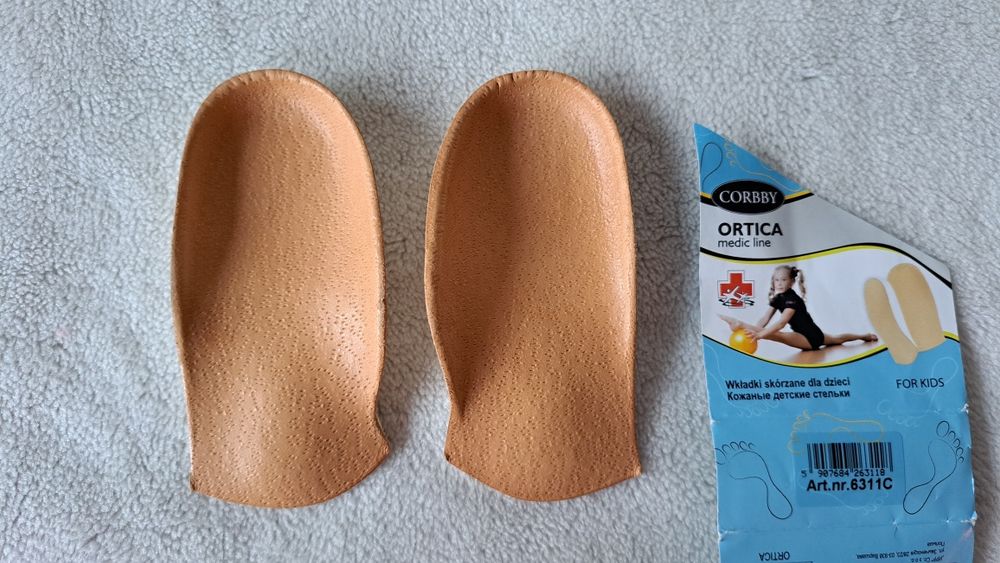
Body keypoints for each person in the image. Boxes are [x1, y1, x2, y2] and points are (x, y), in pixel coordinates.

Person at [720, 265, 877, 351]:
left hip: (809, 337)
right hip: (813, 333)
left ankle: (740, 324)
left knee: (780, 335)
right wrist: (754, 331)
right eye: (776, 280)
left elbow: (781, 323)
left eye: (783, 280)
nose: (779, 283)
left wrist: (760, 335)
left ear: (792, 282)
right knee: (838, 339)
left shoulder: (792, 299)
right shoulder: (778, 298)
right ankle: (864, 336)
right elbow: (765, 318)